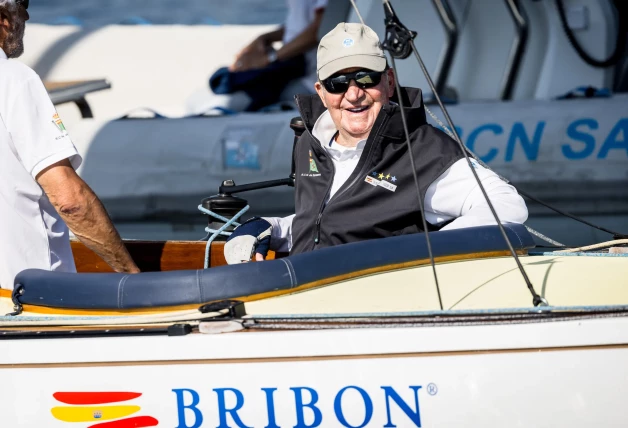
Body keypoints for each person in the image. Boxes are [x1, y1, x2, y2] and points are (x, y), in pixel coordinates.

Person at [224, 22, 528, 263]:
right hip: (303, 302)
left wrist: (423, 254)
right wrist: (269, 227)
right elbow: (327, 222)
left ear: (390, 81)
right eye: (338, 83)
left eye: (365, 78)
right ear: (321, 91)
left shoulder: (424, 151)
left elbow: (507, 206)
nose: (353, 93)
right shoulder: (311, 142)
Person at [0, 0, 139, 289]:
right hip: (30, 297)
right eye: (23, 4)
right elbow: (70, 201)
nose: (27, 14)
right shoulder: (15, 80)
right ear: (3, 18)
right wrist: (133, 277)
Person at [209, 0, 327, 111]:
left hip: (309, 79)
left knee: (229, 103)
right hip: (292, 69)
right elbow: (300, 24)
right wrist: (265, 38)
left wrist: (269, 59)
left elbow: (320, 28)